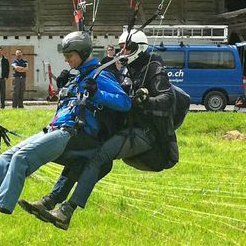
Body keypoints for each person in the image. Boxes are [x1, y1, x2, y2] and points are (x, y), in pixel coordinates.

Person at [0, 31, 131, 236]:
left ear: (83, 52)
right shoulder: (79, 75)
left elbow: (125, 102)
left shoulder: (100, 75)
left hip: (73, 134)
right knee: (5, 158)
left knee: (20, 159)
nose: (66, 58)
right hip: (55, 129)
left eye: (70, 55)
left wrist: (97, 93)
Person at [22, 29, 175, 230]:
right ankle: (50, 201)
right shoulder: (128, 69)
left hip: (145, 132)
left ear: (140, 48)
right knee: (84, 156)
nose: (124, 51)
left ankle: (66, 211)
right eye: (122, 48)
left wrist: (144, 100)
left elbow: (167, 98)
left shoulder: (154, 68)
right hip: (126, 128)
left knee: (98, 157)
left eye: (128, 48)